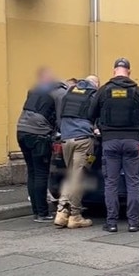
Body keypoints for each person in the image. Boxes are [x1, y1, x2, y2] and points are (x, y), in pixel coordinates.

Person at [89, 58, 139, 233]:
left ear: (114, 70)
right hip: (132, 141)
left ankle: (112, 223)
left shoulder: (103, 90)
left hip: (110, 141)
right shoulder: (137, 91)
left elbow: (90, 114)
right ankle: (133, 222)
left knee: (111, 183)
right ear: (129, 72)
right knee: (133, 182)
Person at [17, 67, 68, 223]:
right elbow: (60, 119)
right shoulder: (60, 93)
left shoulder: (35, 89)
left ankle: (36, 211)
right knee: (41, 173)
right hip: (39, 133)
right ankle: (42, 213)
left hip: (21, 130)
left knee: (32, 172)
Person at [54, 75, 100, 229]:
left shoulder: (69, 92)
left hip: (66, 140)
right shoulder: (93, 95)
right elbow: (98, 118)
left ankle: (61, 213)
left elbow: (60, 117)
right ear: (95, 85)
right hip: (83, 140)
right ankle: (75, 216)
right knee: (78, 178)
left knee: (71, 176)